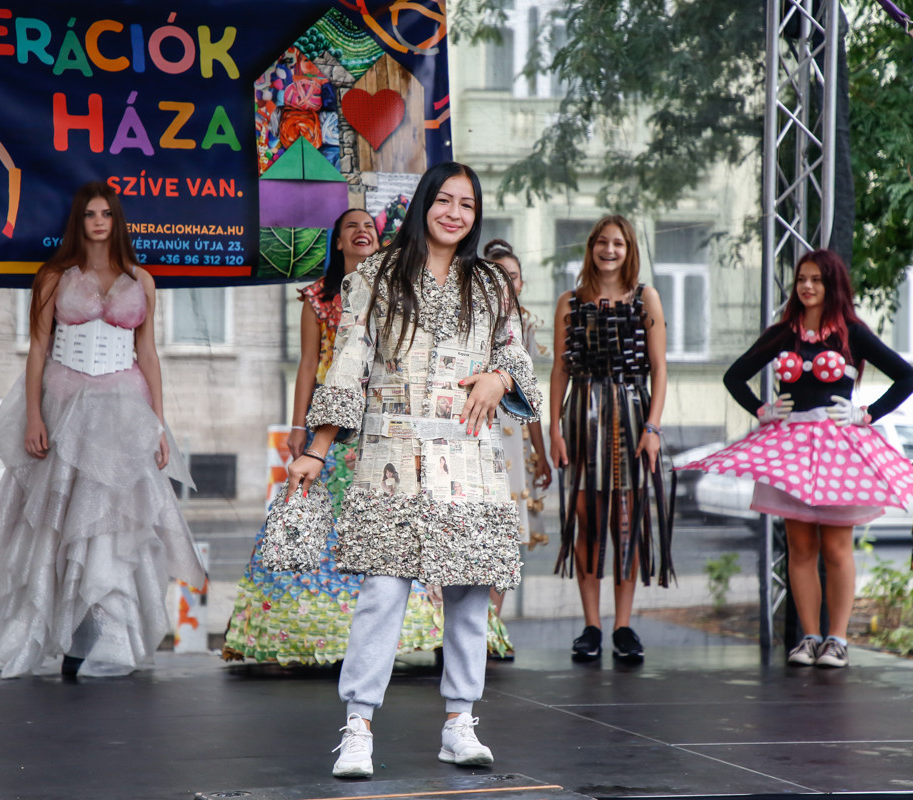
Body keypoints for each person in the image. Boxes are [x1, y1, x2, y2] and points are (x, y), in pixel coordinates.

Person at [287, 161, 542, 778]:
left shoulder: (490, 284)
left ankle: (460, 722)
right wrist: (316, 449)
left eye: (467, 205)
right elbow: (347, 366)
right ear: (424, 203)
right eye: (445, 200)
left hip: (470, 459)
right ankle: (358, 727)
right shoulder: (375, 275)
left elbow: (519, 357)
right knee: (381, 593)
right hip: (391, 458)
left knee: (470, 595)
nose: (455, 213)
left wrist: (500, 376)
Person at [0, 182, 205, 678]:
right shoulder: (53, 276)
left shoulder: (141, 279)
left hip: (123, 410)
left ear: (116, 221)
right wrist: (34, 416)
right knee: (53, 525)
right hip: (64, 404)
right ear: (78, 221)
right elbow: (38, 348)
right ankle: (48, 630)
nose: (99, 222)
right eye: (90, 214)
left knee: (111, 525)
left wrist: (158, 425)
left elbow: (148, 354)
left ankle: (95, 638)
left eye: (106, 214)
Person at [222, 208, 443, 665]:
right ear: (337, 242)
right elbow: (308, 364)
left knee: (390, 522)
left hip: (385, 420)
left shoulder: (399, 288)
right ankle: (313, 631)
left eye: (369, 226)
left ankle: (401, 630)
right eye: (351, 227)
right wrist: (298, 427)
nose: (362, 231)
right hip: (333, 427)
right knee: (319, 520)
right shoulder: (319, 297)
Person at [682, 249, 913, 668]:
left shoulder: (852, 333)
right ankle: (809, 637)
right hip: (789, 448)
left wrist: (866, 414)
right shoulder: (783, 333)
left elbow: (907, 376)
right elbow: (734, 376)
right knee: (800, 546)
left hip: (839, 449)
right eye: (801, 279)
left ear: (832, 284)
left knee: (837, 548)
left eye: (816, 280)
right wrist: (763, 409)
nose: (807, 286)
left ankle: (837, 640)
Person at [550, 215, 673, 664]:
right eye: (602, 242)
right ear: (591, 247)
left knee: (626, 523)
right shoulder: (569, 301)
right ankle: (592, 626)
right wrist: (554, 428)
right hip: (581, 415)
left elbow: (659, 368)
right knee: (587, 523)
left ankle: (623, 625)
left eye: (617, 243)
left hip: (631, 414)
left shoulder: (646, 297)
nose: (609, 249)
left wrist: (653, 428)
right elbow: (560, 368)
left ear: (629, 250)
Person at [483, 239, 551, 617]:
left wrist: (540, 453)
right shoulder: (473, 316)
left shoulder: (525, 324)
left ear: (522, 283)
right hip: (479, 424)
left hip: (513, 431)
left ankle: (492, 625)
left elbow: (530, 393)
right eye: (497, 275)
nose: (507, 283)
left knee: (507, 532)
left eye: (513, 276)